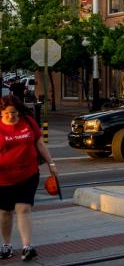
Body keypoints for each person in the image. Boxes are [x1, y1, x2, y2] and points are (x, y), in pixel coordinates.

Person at [0, 95, 57, 262]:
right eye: (7, 113)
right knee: (5, 212)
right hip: (3, 179)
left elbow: (40, 144)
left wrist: (51, 165)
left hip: (28, 174)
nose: (11, 116)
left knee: (23, 209)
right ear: (1, 112)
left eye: (14, 112)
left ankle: (27, 246)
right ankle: (7, 245)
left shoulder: (29, 122)